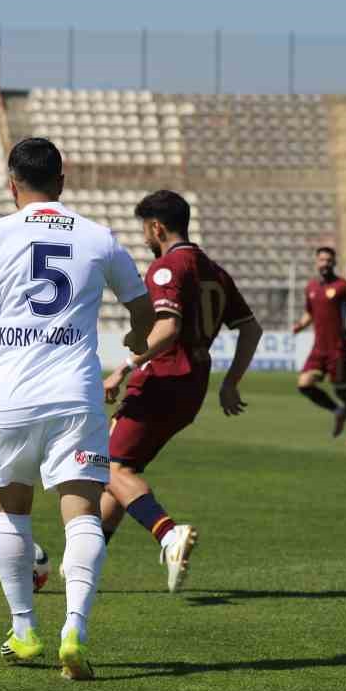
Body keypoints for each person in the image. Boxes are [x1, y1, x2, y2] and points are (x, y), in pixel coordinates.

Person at [0, 137, 153, 681]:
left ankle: (24, 630)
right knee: (81, 517)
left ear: (12, 184)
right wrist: (133, 351)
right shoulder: (99, 237)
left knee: (12, 512)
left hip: (11, 396)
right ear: (63, 180)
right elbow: (143, 311)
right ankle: (75, 627)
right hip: (75, 394)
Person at [98, 191, 264, 592]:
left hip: (163, 377)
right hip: (193, 384)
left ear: (157, 227)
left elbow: (168, 328)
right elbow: (251, 328)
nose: (144, 238)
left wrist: (125, 366)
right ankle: (83, 558)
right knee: (119, 469)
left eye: (145, 230)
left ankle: (169, 535)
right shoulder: (214, 271)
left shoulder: (167, 267)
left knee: (110, 468)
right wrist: (231, 382)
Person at [292, 246, 346, 445]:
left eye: (329, 260)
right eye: (322, 260)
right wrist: (301, 325)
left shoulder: (343, 286)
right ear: (316, 262)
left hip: (338, 348)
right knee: (304, 384)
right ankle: (338, 411)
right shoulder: (311, 288)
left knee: (341, 391)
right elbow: (310, 312)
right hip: (319, 349)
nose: (325, 264)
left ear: (334, 263)